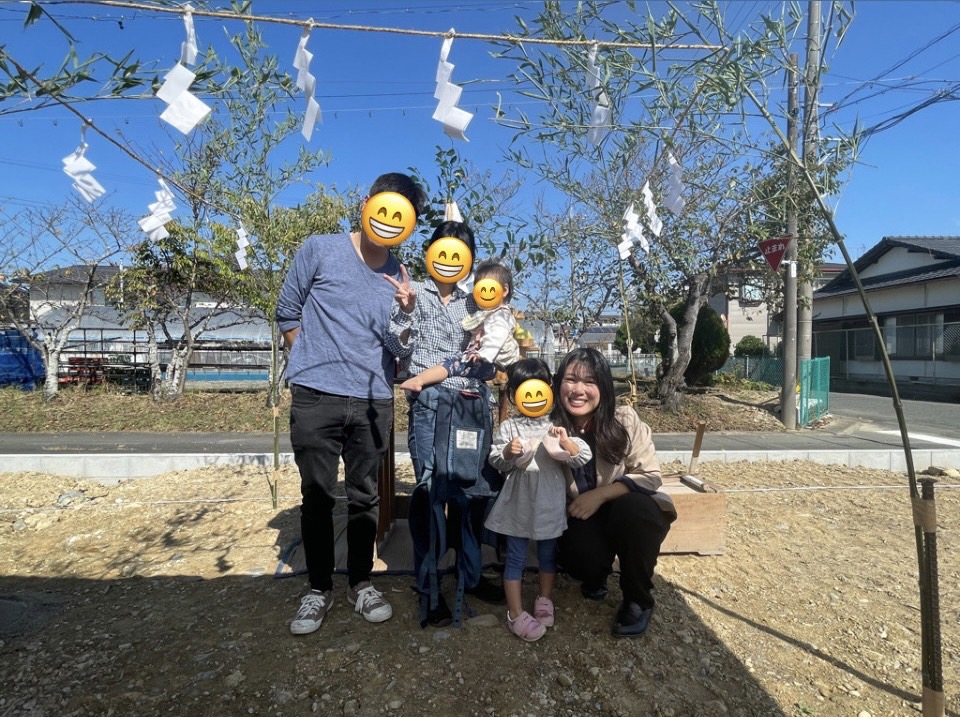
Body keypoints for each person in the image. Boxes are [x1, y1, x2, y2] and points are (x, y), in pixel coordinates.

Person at [275, 172, 428, 636]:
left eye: (403, 215)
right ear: (367, 202)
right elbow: (287, 310)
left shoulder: (400, 277)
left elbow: (402, 355)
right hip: (316, 396)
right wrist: (311, 362)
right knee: (318, 496)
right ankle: (317, 588)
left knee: (365, 497)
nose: (389, 220)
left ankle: (361, 583)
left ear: (412, 224)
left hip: (373, 401)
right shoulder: (319, 248)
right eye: (385, 206)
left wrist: (405, 313)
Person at [386, 221, 506, 628]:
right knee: (429, 494)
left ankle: (470, 576)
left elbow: (490, 365)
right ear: (430, 251)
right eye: (443, 249)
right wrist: (404, 313)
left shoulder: (478, 302)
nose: (450, 259)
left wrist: (488, 354)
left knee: (472, 495)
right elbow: (396, 350)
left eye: (460, 252)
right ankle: (430, 586)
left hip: (471, 406)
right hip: (430, 406)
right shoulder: (410, 291)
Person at [550, 347, 677, 638]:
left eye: (589, 382)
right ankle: (595, 577)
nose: (578, 390)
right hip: (579, 514)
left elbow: (650, 475)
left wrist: (600, 494)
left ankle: (638, 599)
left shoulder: (623, 419)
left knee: (637, 510)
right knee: (579, 556)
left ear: (604, 387)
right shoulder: (550, 426)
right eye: (571, 379)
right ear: (558, 384)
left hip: (622, 506)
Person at [485, 358, 592, 641]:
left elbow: (581, 456)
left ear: (549, 389)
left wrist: (567, 443)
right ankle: (515, 613)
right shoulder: (509, 428)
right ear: (513, 394)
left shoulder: (558, 424)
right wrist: (508, 452)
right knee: (516, 557)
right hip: (519, 502)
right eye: (522, 389)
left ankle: (544, 599)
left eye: (539, 387)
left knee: (547, 554)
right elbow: (497, 461)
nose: (531, 395)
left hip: (549, 501)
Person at [398, 260, 519, 392]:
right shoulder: (488, 313)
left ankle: (419, 380)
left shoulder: (501, 315)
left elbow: (495, 339)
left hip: (489, 362)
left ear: (504, 290)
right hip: (487, 362)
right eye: (479, 288)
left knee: (451, 364)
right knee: (454, 362)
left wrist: (482, 354)